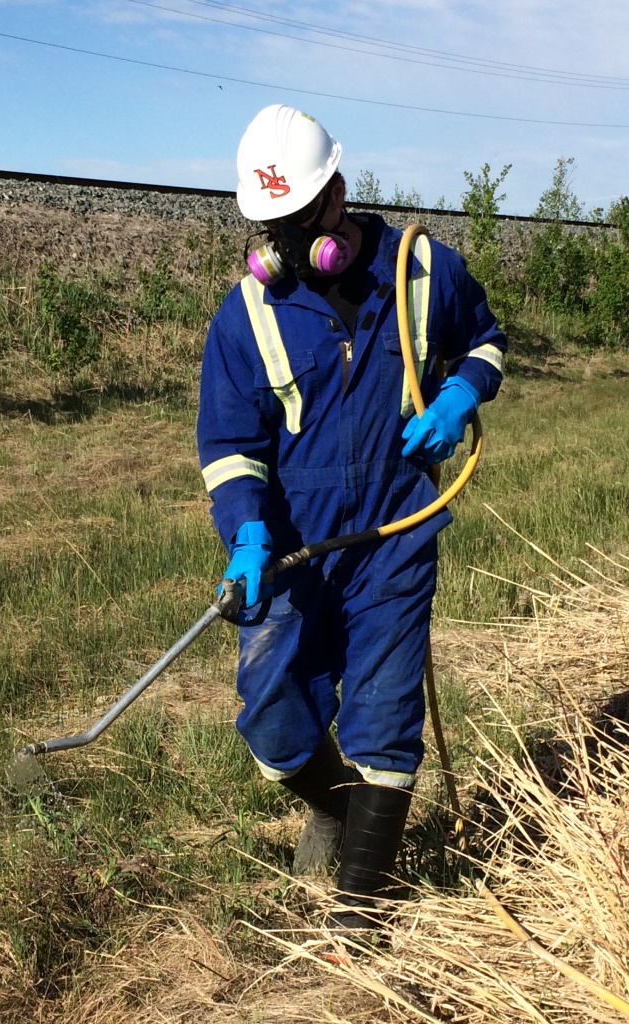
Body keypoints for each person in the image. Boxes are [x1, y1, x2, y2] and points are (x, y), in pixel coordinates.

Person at [196, 104, 506, 935]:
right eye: (268, 227)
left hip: (396, 527)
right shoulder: (248, 314)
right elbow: (230, 444)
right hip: (294, 544)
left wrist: (460, 392)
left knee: (383, 707)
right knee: (269, 708)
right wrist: (248, 531)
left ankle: (360, 912)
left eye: (297, 222)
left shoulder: (422, 269)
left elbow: (487, 341)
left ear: (336, 193)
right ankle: (331, 808)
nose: (285, 248)